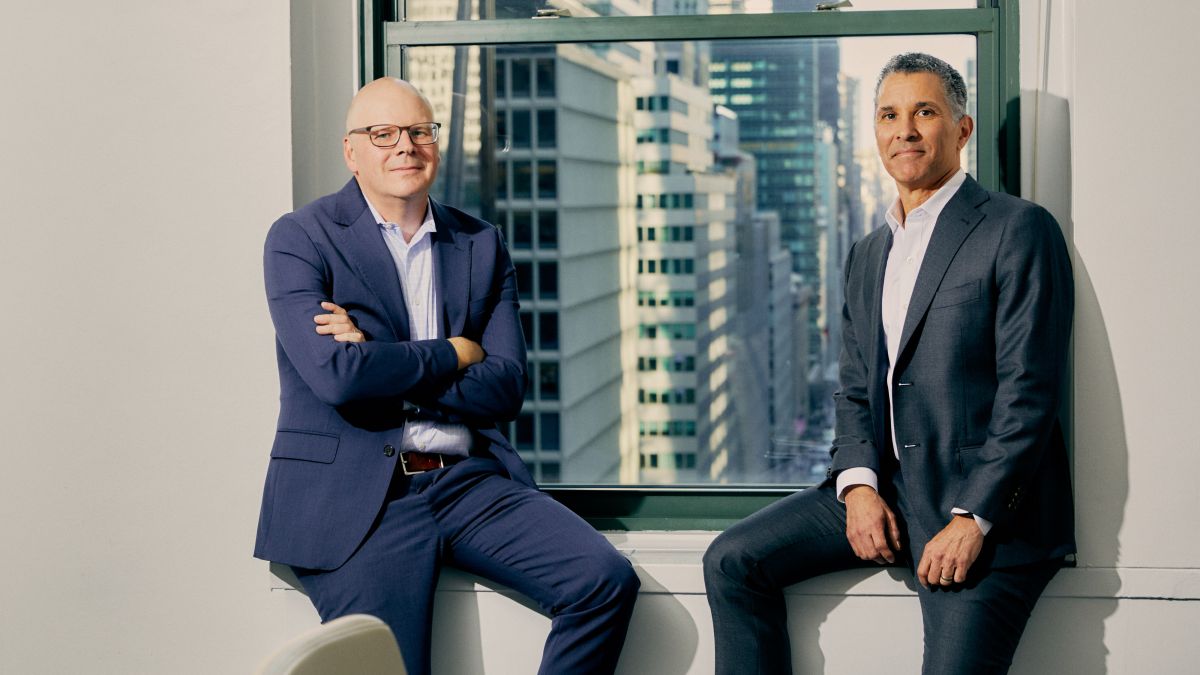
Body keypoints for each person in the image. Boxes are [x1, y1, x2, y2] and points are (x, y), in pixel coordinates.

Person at [703, 52, 1074, 674]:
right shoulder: (869, 251)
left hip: (983, 514)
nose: (904, 129)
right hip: (893, 490)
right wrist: (858, 486)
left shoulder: (1018, 228)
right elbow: (853, 389)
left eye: (924, 111)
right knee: (733, 561)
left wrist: (972, 519)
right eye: (888, 115)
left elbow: (1028, 395)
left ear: (961, 129)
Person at [253, 77, 639, 675]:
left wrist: (380, 355)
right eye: (382, 134)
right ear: (351, 151)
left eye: (419, 131)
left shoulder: (480, 243)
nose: (404, 145)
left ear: (436, 142)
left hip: (467, 483)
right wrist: (453, 352)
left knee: (603, 581)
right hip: (364, 497)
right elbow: (337, 377)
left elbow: (506, 388)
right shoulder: (301, 238)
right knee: (389, 666)